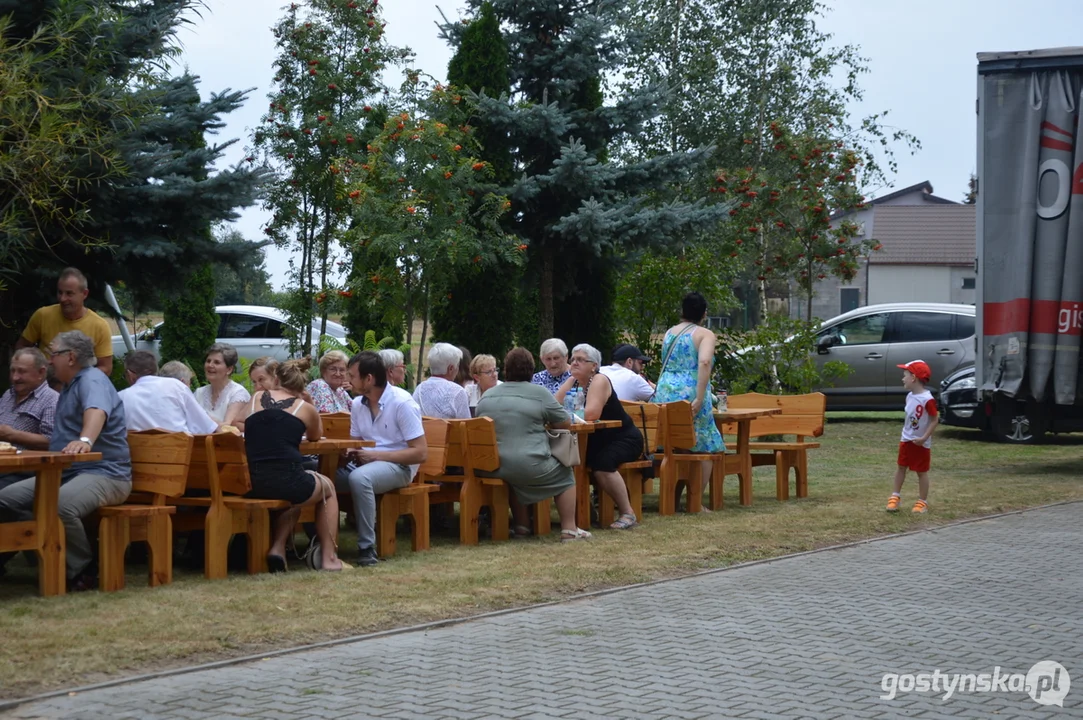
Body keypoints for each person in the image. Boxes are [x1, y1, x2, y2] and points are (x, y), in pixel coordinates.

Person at [0, 331, 131, 590]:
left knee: (60, 506)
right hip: (68, 472)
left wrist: (85, 440)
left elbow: (97, 412)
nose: (49, 361)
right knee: (6, 498)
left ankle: (83, 570)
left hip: (106, 473)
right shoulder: (71, 384)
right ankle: (41, 552)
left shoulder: (92, 380)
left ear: (70, 358)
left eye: (53, 354)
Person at [234, 358, 344, 571]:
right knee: (327, 487)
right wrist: (309, 403)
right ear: (303, 384)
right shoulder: (305, 408)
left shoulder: (257, 397)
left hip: (253, 483)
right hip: (288, 481)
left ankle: (278, 548)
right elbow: (316, 436)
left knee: (294, 496)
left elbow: (238, 422)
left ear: (276, 378)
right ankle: (329, 558)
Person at [476, 348, 589, 541]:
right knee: (565, 471)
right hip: (529, 464)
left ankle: (522, 526)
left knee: (515, 476)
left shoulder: (487, 396)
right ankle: (569, 529)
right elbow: (565, 422)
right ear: (531, 370)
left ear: (506, 370)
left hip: (492, 466)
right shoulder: (539, 393)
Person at [338, 351, 428, 566]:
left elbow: (421, 453)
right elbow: (356, 442)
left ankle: (366, 547)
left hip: (400, 467)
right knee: (321, 474)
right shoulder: (358, 404)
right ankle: (322, 544)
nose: (347, 380)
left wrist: (376, 455)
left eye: (352, 376)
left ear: (368, 379)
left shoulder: (402, 403)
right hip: (366, 464)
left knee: (361, 479)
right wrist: (346, 452)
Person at [556, 344, 642, 530]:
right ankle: (584, 512)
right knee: (568, 462)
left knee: (602, 465)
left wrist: (563, 415)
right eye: (573, 359)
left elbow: (591, 414)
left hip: (622, 438)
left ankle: (628, 513)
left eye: (580, 360)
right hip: (596, 440)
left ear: (594, 365)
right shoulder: (574, 381)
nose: (574, 363)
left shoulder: (600, 380)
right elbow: (553, 406)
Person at [651, 291, 724, 498]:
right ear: (704, 313)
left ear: (682, 311)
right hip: (691, 390)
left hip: (666, 390)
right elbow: (704, 362)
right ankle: (695, 501)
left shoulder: (669, 333)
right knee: (704, 447)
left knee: (676, 443)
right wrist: (700, 397)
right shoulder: (704, 334)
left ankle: (673, 497)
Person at [16, 268, 113, 377]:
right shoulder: (43, 315)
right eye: (60, 292)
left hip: (78, 389)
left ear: (84, 294)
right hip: (43, 384)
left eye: (69, 293)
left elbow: (106, 367)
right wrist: (33, 369)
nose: (62, 299)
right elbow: (22, 346)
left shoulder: (99, 325)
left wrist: (77, 380)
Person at [118, 351, 218, 434]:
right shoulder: (176, 386)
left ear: (130, 374)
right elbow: (206, 427)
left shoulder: (120, 397)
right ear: (156, 369)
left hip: (137, 457)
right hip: (180, 455)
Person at [0, 348, 58, 491]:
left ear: (41, 372)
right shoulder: (8, 394)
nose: (15, 377)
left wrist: (13, 435)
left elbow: (53, 442)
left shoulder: (52, 400)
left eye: (21, 371)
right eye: (12, 371)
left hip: (25, 472)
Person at [887, 360, 938, 515]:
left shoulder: (927, 399)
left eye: (905, 375)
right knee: (901, 467)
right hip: (906, 440)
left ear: (914, 378)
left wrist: (923, 438)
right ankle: (895, 496)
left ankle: (922, 501)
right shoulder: (909, 396)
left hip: (920, 444)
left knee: (921, 472)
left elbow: (935, 419)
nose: (903, 379)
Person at [194, 343, 250, 426]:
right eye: (208, 361)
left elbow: (228, 427)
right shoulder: (199, 392)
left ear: (229, 369)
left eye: (216, 362)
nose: (210, 365)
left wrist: (200, 416)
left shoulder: (238, 393)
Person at [412, 343, 470, 419]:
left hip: (424, 431)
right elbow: (467, 425)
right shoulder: (458, 392)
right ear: (451, 368)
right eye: (457, 365)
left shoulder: (419, 389)